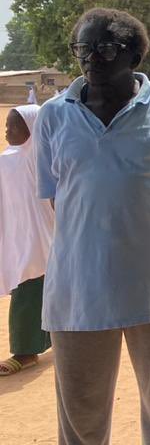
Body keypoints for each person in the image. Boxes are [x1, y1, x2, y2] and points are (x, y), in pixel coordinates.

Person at [35, 8, 150, 444]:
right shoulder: (54, 116)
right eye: (83, 48)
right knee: (80, 419)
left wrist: (138, 217)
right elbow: (59, 195)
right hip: (78, 290)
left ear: (134, 55)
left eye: (105, 48)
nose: (91, 58)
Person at [0, 105, 53, 376]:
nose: (7, 130)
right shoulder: (6, 159)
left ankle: (24, 352)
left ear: (32, 128)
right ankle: (49, 340)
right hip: (18, 235)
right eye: (7, 125)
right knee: (38, 286)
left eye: (14, 125)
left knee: (28, 288)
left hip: (42, 234)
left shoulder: (42, 156)